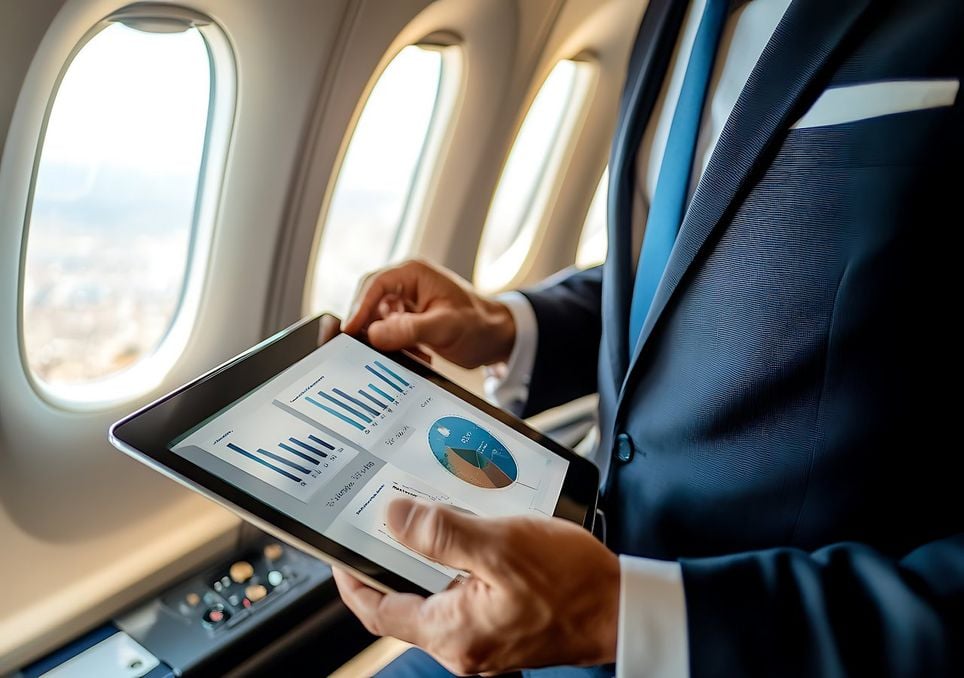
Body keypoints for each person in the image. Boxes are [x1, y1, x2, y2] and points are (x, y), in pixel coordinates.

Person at [334, 0, 964, 675]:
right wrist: (507, 326)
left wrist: (625, 615)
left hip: (760, 638)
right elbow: (682, 275)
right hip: (562, 574)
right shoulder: (668, 13)